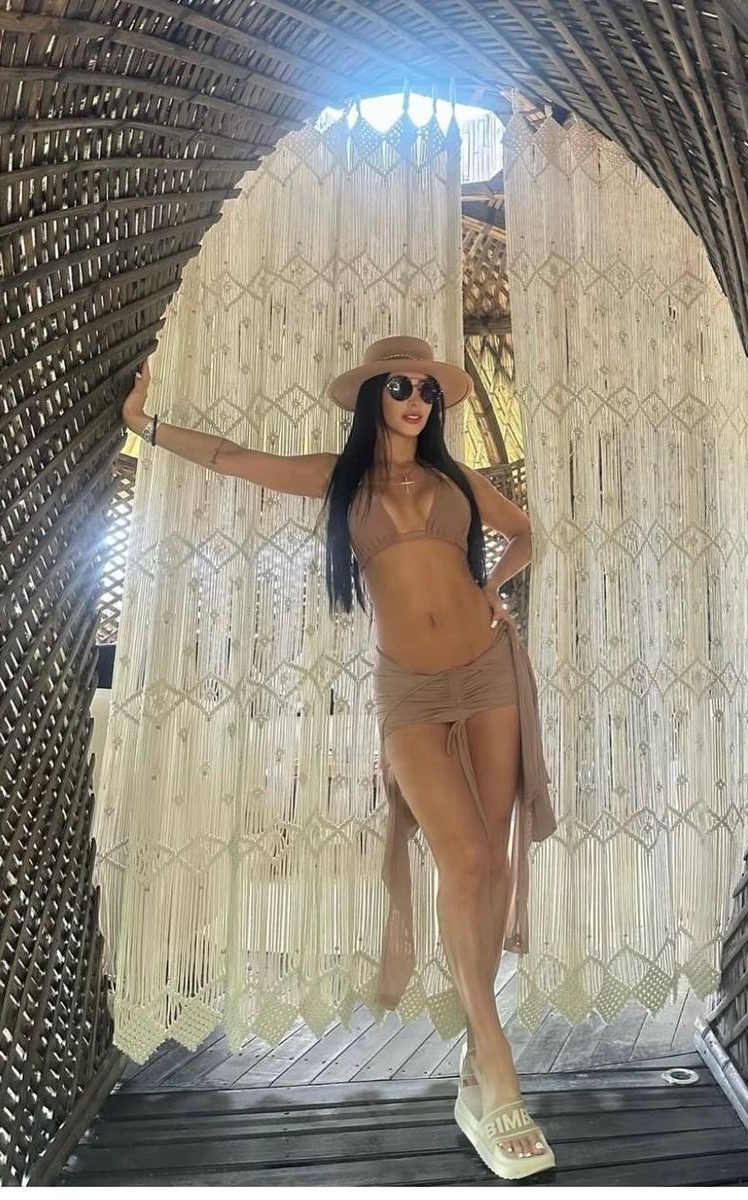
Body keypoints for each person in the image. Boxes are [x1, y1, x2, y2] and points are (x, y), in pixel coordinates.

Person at [122, 335, 557, 1179]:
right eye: (401, 388)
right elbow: (231, 457)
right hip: (411, 691)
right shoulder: (339, 479)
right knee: (464, 858)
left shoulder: (456, 480)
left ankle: (479, 1065)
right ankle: (494, 1057)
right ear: (371, 397)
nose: (417, 402)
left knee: (491, 863)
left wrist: (491, 589)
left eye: (427, 391)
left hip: (489, 674)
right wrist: (146, 425)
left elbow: (524, 532)